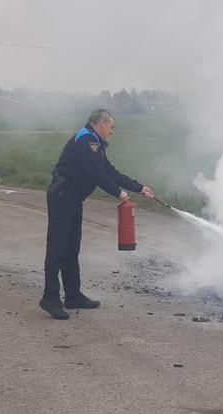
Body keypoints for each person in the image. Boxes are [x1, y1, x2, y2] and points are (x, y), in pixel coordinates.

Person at [39, 109, 155, 319]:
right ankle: (50, 298)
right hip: (62, 197)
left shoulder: (95, 144)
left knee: (72, 248)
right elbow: (96, 173)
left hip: (73, 199)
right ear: (101, 124)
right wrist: (118, 193)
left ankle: (73, 295)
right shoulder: (86, 141)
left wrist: (140, 187)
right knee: (57, 248)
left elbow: (110, 171)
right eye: (111, 127)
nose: (111, 132)